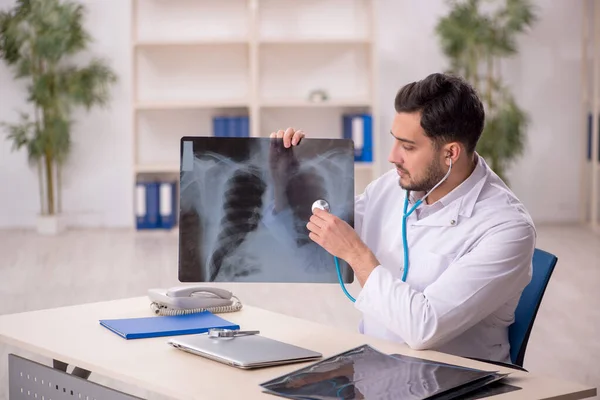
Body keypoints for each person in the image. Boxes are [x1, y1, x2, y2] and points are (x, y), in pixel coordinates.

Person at [269, 72, 536, 364]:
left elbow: (424, 328)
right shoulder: (392, 186)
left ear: (450, 154)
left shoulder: (507, 228)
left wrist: (356, 253)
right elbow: (314, 247)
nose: (393, 157)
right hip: (375, 368)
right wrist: (286, 180)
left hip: (453, 382)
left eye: (408, 147)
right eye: (395, 141)